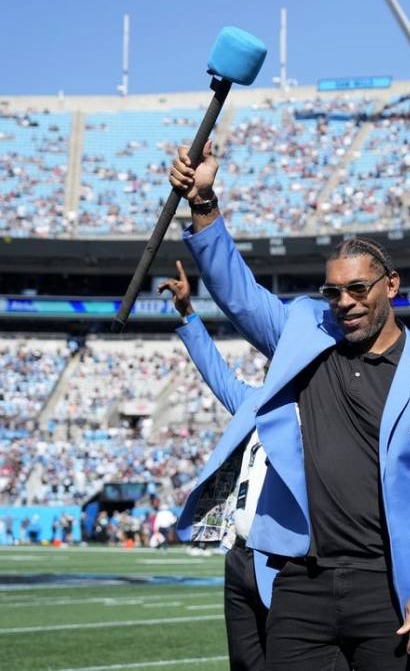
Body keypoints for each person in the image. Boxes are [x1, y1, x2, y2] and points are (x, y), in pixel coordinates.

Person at [169, 141, 410, 669]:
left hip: (387, 585)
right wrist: (204, 205)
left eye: (358, 289)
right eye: (333, 292)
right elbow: (239, 295)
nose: (345, 303)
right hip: (300, 581)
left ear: (392, 285)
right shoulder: (305, 331)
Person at [159, 260, 269, 670]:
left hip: (288, 561)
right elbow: (216, 372)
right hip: (240, 556)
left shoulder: (319, 412)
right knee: (244, 663)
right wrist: (188, 312)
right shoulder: (253, 403)